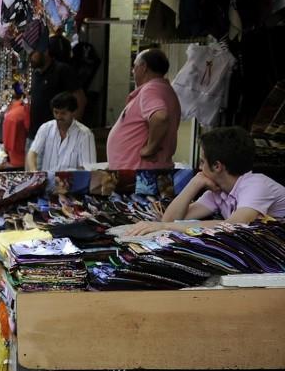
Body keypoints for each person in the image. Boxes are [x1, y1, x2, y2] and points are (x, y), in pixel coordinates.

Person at [122, 126, 285, 236]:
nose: (199, 168)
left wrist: (165, 227)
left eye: (201, 162)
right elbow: (170, 219)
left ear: (217, 166)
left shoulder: (256, 184)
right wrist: (195, 183)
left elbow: (232, 226)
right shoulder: (219, 191)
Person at [106, 47, 181, 169]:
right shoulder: (163, 89)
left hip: (140, 173)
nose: (133, 71)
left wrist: (150, 148)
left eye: (134, 66)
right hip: (139, 172)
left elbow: (160, 117)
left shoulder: (151, 89)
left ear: (144, 66)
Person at [27, 42, 85, 141]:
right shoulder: (36, 73)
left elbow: (80, 99)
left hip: (55, 137)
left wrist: (70, 130)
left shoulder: (62, 70)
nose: (31, 56)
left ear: (45, 51)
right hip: (35, 136)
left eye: (34, 52)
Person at [25, 91, 95, 172]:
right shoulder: (45, 128)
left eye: (63, 113)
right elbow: (32, 153)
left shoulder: (85, 135)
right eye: (56, 112)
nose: (58, 116)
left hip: (72, 183)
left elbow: (88, 169)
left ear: (73, 113)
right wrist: (34, 172)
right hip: (47, 182)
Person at [3, 87, 31, 168]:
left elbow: (8, 145)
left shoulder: (12, 116)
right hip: (28, 155)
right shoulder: (25, 109)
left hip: (17, 159)